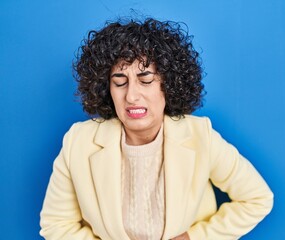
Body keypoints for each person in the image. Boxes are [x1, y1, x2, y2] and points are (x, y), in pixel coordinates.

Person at [39, 17, 273, 240]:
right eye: (120, 81)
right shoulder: (78, 142)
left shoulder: (201, 136)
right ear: (105, 87)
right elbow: (56, 224)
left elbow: (257, 198)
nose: (131, 96)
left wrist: (195, 237)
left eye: (146, 80)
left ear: (168, 84)